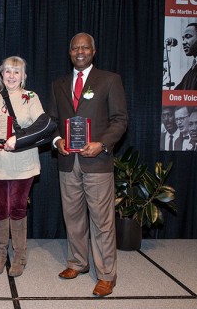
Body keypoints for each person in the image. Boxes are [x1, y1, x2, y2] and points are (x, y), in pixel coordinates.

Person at [48, 33, 128, 297]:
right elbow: (52, 120)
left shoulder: (109, 80)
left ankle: (106, 275)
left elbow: (119, 120)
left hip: (98, 161)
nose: (79, 51)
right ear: (69, 52)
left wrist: (102, 144)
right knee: (72, 217)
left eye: (85, 47)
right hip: (68, 161)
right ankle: (78, 263)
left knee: (102, 221)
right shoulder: (58, 84)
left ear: (93, 51)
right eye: (74, 48)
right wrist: (57, 139)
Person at [0, 56, 44, 277]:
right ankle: (0, 254)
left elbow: (41, 127)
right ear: (1, 74)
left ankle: (19, 256)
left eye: (17, 72)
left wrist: (18, 140)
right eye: (8, 71)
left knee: (17, 208)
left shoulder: (31, 97)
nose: (12, 76)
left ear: (23, 76)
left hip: (22, 163)